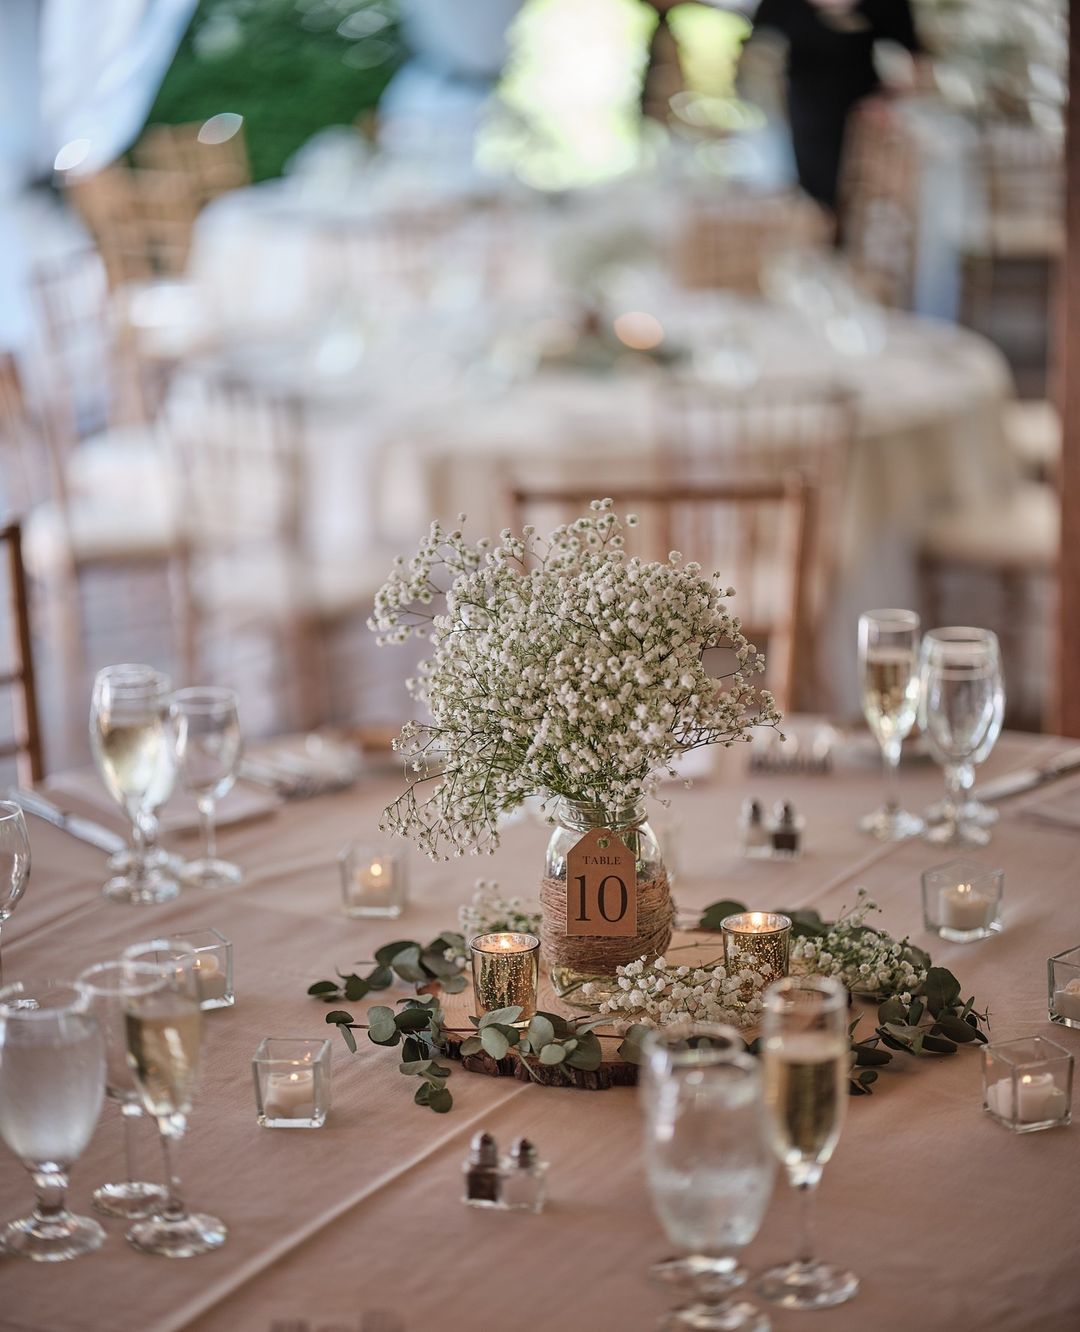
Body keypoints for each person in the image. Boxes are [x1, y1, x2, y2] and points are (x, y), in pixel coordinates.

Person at [750, 0, 923, 212]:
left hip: (862, 117)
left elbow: (916, 59)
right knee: (814, 191)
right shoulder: (783, 5)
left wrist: (888, 99)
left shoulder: (885, 5)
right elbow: (758, 52)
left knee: (861, 191)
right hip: (805, 113)